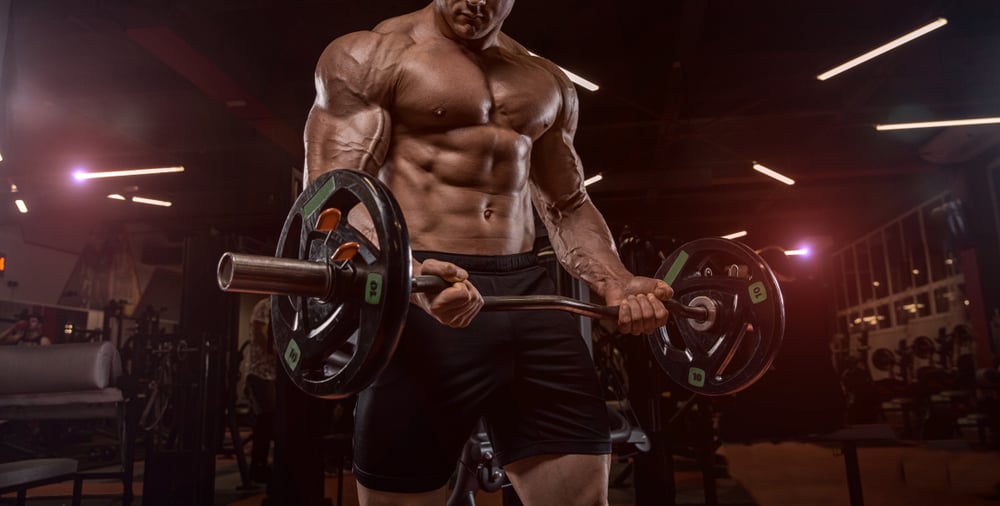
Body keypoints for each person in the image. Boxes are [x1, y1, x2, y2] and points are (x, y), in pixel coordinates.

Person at [303, 1, 673, 504]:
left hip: (527, 297)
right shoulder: (371, 56)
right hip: (423, 291)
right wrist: (409, 279)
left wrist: (615, 279)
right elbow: (335, 198)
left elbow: (567, 204)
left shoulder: (545, 81)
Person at [244, 298, 277, 483]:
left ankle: (266, 465)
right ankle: (257, 468)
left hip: (273, 374)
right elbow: (259, 334)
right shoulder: (265, 305)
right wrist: (280, 354)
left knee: (272, 420)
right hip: (259, 373)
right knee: (267, 418)